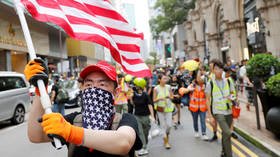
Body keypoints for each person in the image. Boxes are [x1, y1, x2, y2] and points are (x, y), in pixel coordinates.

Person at [24, 59, 142, 157]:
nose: (94, 89)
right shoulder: (75, 120)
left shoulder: (125, 120)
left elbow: (123, 142)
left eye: (102, 84)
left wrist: (71, 133)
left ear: (116, 92)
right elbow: (36, 136)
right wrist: (40, 90)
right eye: (88, 84)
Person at [205, 60, 235, 157]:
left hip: (228, 110)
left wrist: (232, 98)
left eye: (220, 68)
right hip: (218, 111)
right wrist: (210, 116)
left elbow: (233, 94)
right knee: (227, 132)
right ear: (213, 70)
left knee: (225, 135)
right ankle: (229, 155)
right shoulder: (210, 83)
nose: (219, 71)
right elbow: (207, 100)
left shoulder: (229, 81)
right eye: (216, 69)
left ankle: (223, 152)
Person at [131, 77, 155, 156]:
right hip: (137, 116)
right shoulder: (134, 94)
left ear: (140, 86)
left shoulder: (145, 95)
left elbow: (150, 105)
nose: (134, 86)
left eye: (136, 85)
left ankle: (145, 145)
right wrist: (131, 97)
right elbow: (133, 104)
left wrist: (153, 116)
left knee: (145, 132)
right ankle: (143, 148)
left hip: (146, 116)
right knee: (140, 132)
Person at [153, 74, 174, 149]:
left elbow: (172, 97)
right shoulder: (156, 88)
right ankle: (166, 142)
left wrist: (169, 97)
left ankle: (167, 135)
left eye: (166, 78)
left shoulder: (168, 87)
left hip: (168, 108)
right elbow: (154, 100)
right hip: (160, 109)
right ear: (159, 80)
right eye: (164, 78)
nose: (166, 80)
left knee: (169, 125)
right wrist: (159, 99)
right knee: (163, 125)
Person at [188, 70, 209, 140]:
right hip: (194, 107)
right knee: (195, 120)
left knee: (203, 120)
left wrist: (204, 90)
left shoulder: (205, 86)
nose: (200, 80)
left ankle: (204, 133)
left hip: (202, 107)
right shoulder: (192, 85)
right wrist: (190, 89)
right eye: (199, 78)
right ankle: (196, 131)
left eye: (202, 79)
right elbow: (186, 90)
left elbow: (208, 96)